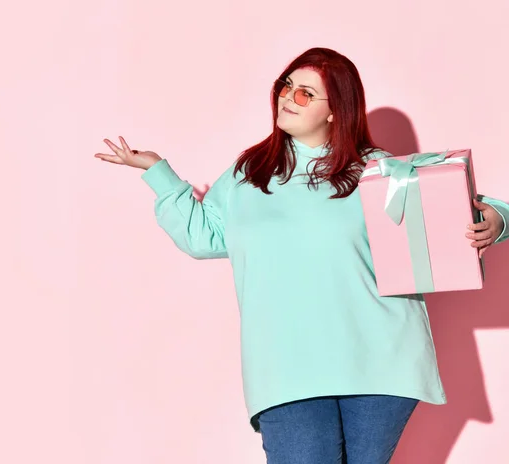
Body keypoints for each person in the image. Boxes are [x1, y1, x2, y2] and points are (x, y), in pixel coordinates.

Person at [94, 47, 509, 463]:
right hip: (285, 366)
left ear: (336, 111)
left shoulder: (379, 170)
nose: (288, 97)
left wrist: (496, 218)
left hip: (380, 361)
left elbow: (451, 204)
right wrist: (159, 174)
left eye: (305, 93)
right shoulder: (250, 172)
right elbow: (203, 237)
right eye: (285, 86)